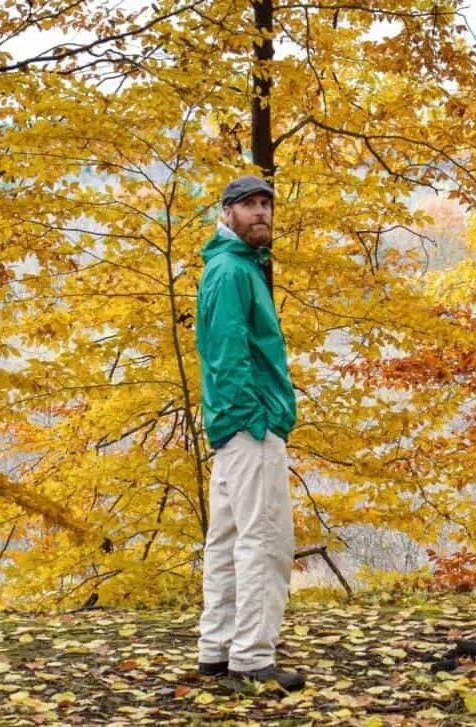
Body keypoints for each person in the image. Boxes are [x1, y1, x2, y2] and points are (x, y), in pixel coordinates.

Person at [194, 175, 303, 691]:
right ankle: (253, 660)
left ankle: (216, 652)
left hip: (236, 424)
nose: (261, 212)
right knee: (266, 542)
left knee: (229, 540)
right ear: (228, 212)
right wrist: (254, 418)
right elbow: (226, 355)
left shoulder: (234, 267)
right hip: (248, 424)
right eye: (250, 205)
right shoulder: (231, 271)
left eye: (267, 204)